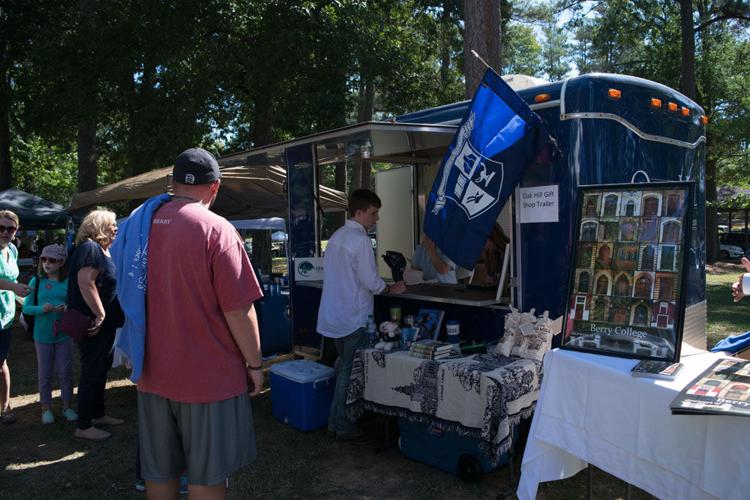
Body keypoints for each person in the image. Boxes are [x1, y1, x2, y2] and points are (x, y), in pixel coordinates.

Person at [136, 147, 264, 499]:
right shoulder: (217, 230)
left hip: (151, 372)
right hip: (208, 378)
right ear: (215, 187)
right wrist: (255, 365)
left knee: (158, 471)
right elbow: (238, 310)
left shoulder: (139, 226)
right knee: (206, 476)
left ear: (171, 183)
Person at [317, 189, 406, 441]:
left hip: (335, 316)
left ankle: (336, 421)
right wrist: (390, 288)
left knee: (343, 368)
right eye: (373, 213)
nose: (376, 218)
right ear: (359, 212)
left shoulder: (336, 237)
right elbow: (370, 281)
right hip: (353, 317)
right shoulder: (360, 240)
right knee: (349, 371)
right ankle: (341, 423)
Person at [68, 209, 124, 440]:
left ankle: (97, 414)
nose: (116, 228)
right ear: (100, 226)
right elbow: (85, 282)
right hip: (94, 324)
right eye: (112, 224)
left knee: (101, 369)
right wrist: (100, 314)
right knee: (91, 371)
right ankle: (83, 425)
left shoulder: (101, 250)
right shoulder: (90, 248)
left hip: (106, 324)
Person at [23, 244, 77, 424]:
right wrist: (41, 309)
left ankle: (67, 406)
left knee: (65, 373)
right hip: (42, 336)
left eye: (52, 260)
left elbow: (76, 304)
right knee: (45, 374)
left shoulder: (68, 282)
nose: (47, 263)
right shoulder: (36, 282)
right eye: (44, 259)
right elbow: (26, 308)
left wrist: (67, 308)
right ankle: (46, 409)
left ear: (61, 262)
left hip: (64, 334)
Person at [0, 210, 30, 424]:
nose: (5, 232)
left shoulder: (12, 249)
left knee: (1, 362)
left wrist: (23, 301)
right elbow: (11, 283)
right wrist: (14, 287)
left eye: (10, 228)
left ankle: (5, 406)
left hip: (6, 313)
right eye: (1, 228)